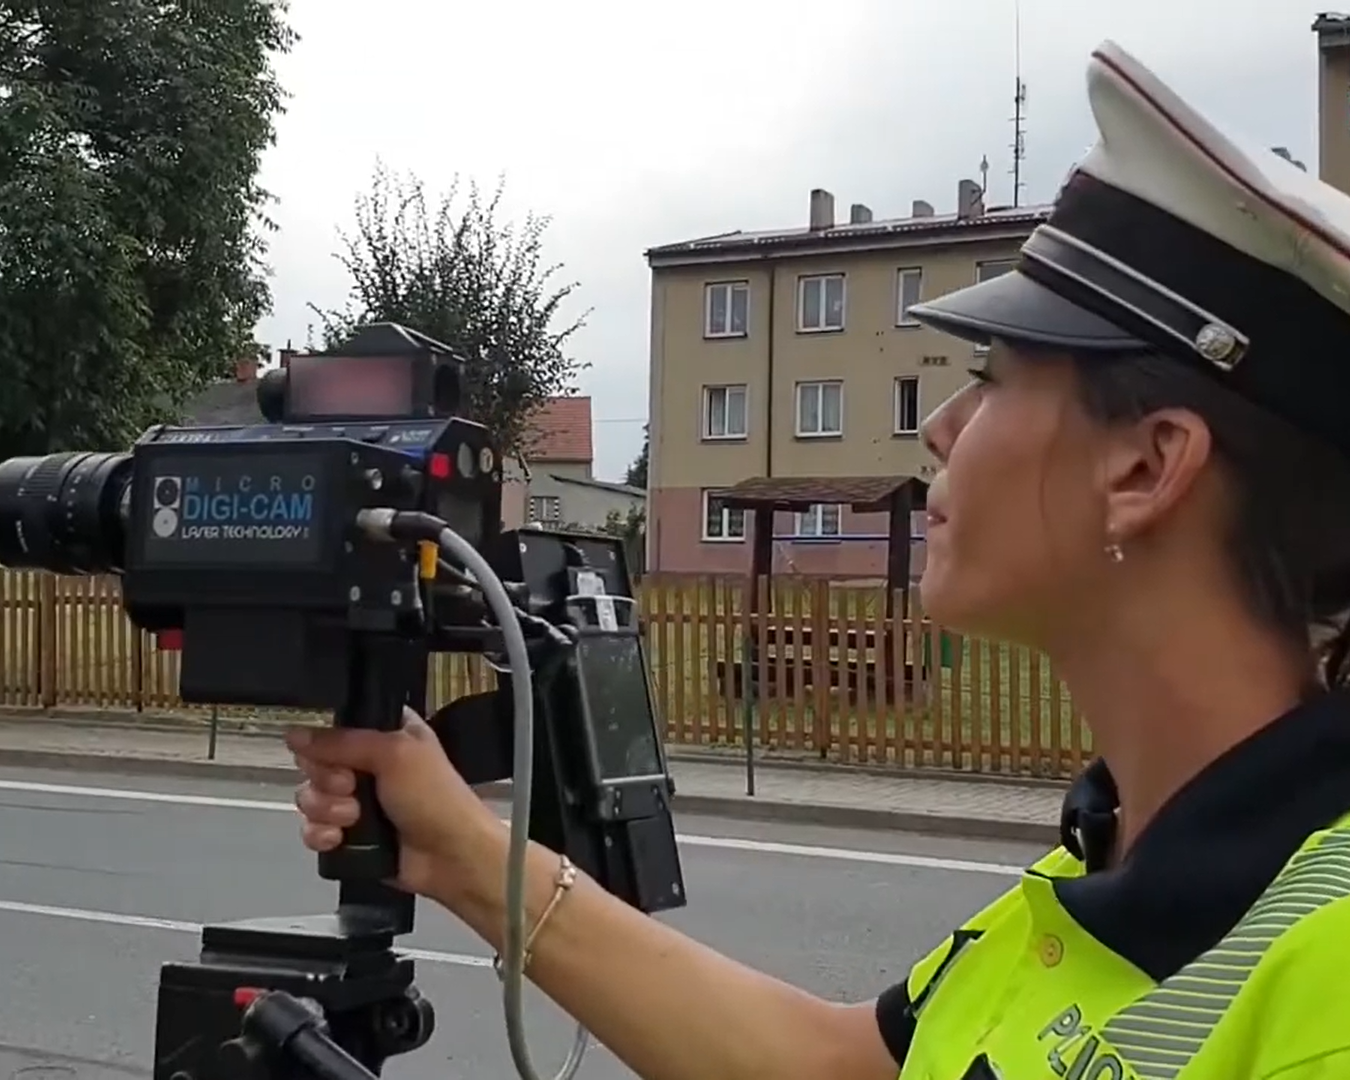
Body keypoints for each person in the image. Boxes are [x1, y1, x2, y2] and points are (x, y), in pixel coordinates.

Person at [288, 40, 1350, 1080]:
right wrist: (467, 851)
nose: (941, 427)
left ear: (1147, 466)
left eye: (994, 378)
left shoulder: (1326, 980)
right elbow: (837, 1065)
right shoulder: (1115, 856)